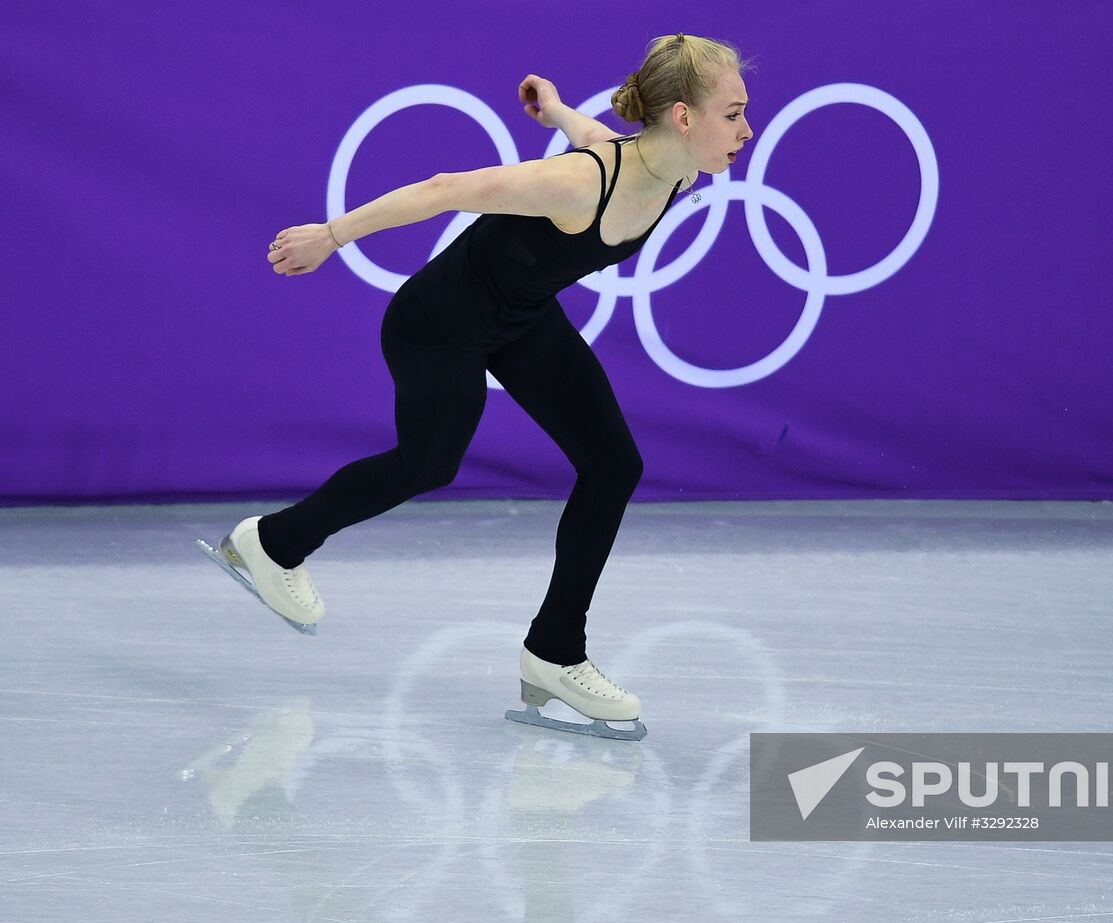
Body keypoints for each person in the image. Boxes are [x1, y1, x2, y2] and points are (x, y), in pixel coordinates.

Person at [213, 34, 753, 736]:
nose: (746, 130)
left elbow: (597, 134)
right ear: (684, 117)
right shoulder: (580, 184)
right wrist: (331, 235)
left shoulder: (676, 171)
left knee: (614, 463)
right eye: (734, 113)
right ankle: (274, 543)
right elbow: (445, 191)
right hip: (437, 324)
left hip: (519, 320)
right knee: (429, 461)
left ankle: (555, 652)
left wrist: (556, 108)